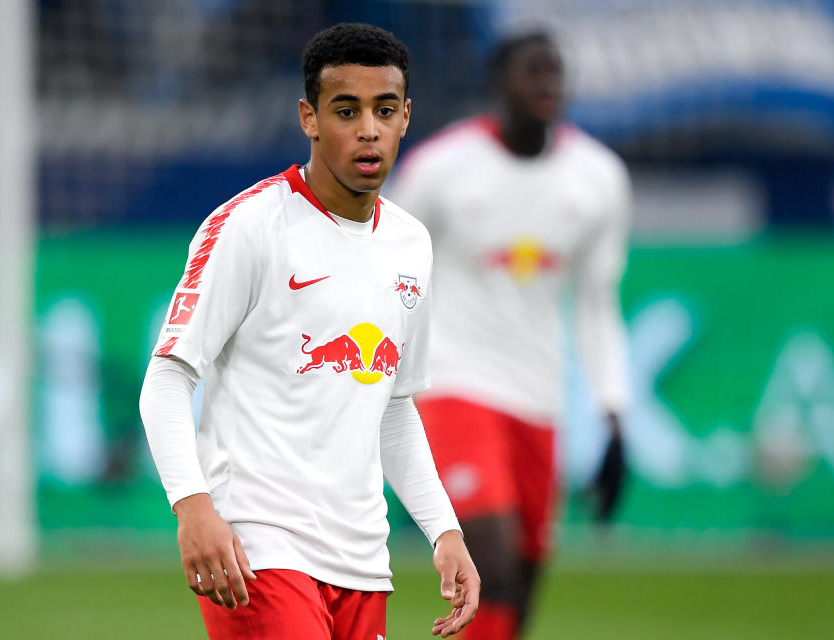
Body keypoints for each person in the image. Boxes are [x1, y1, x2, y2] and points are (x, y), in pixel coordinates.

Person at [139, 22, 479, 640]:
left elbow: (393, 405)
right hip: (255, 548)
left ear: (407, 117)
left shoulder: (411, 245)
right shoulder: (250, 226)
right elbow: (167, 377)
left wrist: (444, 530)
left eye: (384, 109)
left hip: (362, 560)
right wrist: (193, 508)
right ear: (309, 118)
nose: (368, 129)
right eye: (346, 110)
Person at [388, 30, 631, 639]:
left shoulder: (598, 177)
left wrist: (614, 413)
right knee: (489, 559)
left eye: (556, 73)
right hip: (454, 381)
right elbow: (383, 262)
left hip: (539, 396)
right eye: (533, 72)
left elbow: (597, 306)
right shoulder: (442, 169)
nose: (547, 84)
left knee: (520, 583)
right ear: (499, 84)